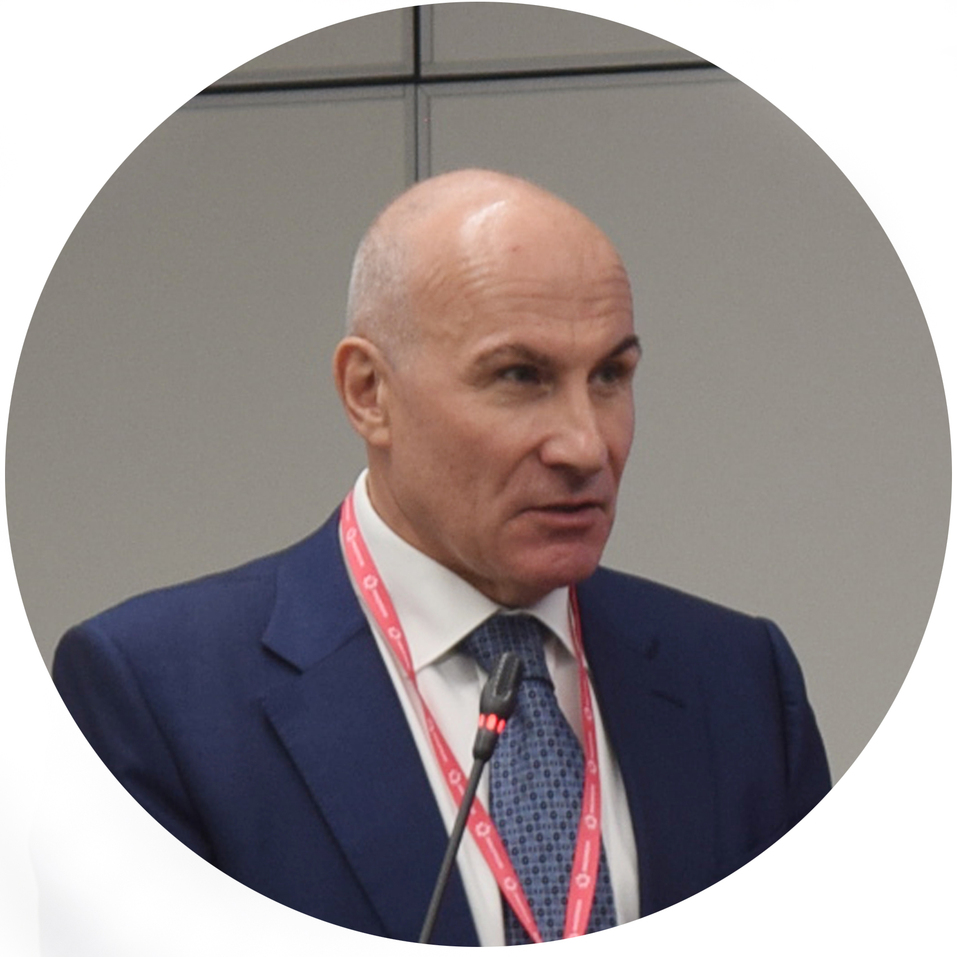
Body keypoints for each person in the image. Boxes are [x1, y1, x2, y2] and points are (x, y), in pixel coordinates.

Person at [53, 169, 830, 945]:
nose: (585, 444)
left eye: (609, 376)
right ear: (369, 392)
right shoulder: (156, 697)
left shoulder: (739, 681)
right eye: (519, 376)